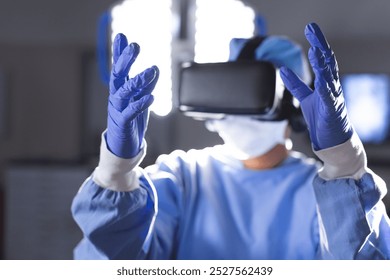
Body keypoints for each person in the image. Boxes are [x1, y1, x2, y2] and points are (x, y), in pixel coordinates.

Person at [71, 22, 390, 259]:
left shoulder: (325, 194)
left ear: (295, 109)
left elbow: (367, 265)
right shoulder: (183, 176)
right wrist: (115, 172)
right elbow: (106, 260)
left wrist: (344, 164)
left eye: (257, 92)